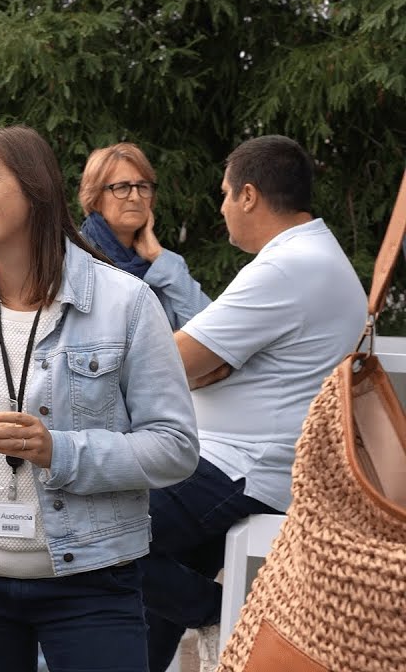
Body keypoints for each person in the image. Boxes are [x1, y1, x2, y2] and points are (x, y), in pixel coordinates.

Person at [0, 126, 199, 671]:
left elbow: (174, 448)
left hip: (90, 582)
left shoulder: (126, 303)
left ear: (34, 188)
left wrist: (60, 450)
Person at [139, 135, 367, 672]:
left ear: (248, 194)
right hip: (239, 464)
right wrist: (209, 366)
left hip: (238, 470)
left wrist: (197, 365)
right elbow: (207, 360)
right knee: (143, 609)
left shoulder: (288, 266)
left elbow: (171, 361)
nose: (220, 209)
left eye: (223, 194)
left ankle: (226, 614)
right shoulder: (315, 255)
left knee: (85, 528)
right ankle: (204, 616)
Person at [78, 142, 210, 329]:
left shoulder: (166, 267)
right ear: (95, 197)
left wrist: (157, 256)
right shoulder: (74, 256)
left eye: (143, 186)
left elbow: (209, 332)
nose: (136, 197)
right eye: (122, 187)